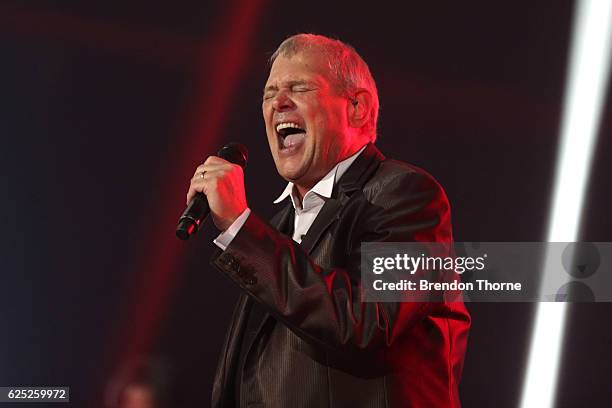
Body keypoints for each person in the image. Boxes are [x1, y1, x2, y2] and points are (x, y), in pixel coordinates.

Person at [186, 33, 470, 407]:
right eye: (269, 94)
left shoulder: (406, 195)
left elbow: (367, 321)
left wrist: (240, 227)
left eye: (298, 87)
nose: (278, 103)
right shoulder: (279, 225)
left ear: (357, 107)